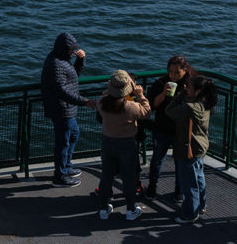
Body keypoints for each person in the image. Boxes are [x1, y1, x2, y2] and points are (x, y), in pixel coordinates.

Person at [40, 32, 97, 187]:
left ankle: (66, 167)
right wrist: (85, 102)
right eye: (71, 50)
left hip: (67, 107)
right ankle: (60, 176)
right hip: (61, 109)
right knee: (63, 142)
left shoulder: (62, 60)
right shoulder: (56, 63)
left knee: (72, 135)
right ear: (64, 49)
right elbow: (61, 90)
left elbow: (73, 77)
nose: (73, 52)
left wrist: (80, 60)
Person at [96, 70, 151, 220]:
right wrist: (140, 95)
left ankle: (104, 208)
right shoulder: (130, 107)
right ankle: (131, 209)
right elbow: (146, 112)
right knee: (128, 177)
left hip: (107, 141)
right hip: (127, 143)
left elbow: (105, 97)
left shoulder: (101, 103)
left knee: (107, 176)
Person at [144, 55, 198, 200]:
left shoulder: (191, 85)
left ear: (185, 70)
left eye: (177, 72)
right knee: (157, 160)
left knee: (180, 162)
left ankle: (179, 190)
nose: (173, 75)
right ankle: (152, 187)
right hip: (162, 127)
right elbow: (152, 106)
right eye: (171, 72)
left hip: (181, 131)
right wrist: (163, 93)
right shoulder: (161, 83)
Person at [166, 75, 218, 223]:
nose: (186, 88)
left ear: (198, 91)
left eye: (189, 87)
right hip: (200, 146)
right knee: (198, 177)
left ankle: (190, 213)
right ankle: (201, 205)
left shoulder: (189, 108)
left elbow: (169, 110)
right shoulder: (205, 103)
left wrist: (180, 94)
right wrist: (187, 93)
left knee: (188, 184)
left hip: (188, 148)